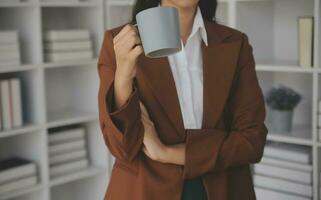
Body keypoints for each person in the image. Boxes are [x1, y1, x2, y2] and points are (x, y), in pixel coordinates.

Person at [97, 0, 268, 199]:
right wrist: (124, 76)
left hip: (224, 188)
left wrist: (168, 153)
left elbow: (252, 142)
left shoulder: (235, 43)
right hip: (144, 190)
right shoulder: (119, 43)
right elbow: (122, 149)